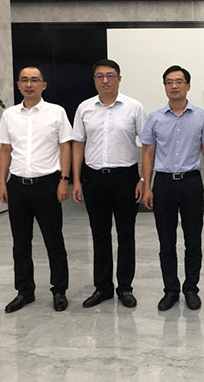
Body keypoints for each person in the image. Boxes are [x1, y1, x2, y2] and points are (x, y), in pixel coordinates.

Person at [0, 66, 72, 313]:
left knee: (54, 241)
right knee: (20, 243)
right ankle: (24, 291)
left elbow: (66, 147)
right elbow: (5, 150)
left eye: (34, 80)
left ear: (43, 85)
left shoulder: (56, 112)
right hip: (17, 185)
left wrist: (64, 179)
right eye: (24, 80)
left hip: (47, 185)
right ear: (18, 85)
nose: (29, 84)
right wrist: (2, 182)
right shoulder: (9, 115)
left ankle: (59, 290)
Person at [71, 59, 146, 309]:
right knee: (99, 234)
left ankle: (125, 287)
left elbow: (147, 145)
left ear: (119, 79)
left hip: (125, 178)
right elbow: (78, 144)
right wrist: (76, 179)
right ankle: (102, 287)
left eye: (110, 76)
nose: (105, 80)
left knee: (126, 235)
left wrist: (143, 179)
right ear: (94, 80)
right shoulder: (84, 108)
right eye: (100, 76)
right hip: (93, 177)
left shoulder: (134, 107)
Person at [141, 65, 204, 311]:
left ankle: (191, 289)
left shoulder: (201, 116)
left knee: (193, 240)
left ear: (188, 86)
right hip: (163, 184)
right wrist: (147, 185)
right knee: (166, 241)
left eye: (179, 81)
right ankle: (171, 290)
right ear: (164, 87)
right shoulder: (154, 118)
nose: (174, 86)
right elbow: (148, 153)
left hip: (192, 182)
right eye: (169, 82)